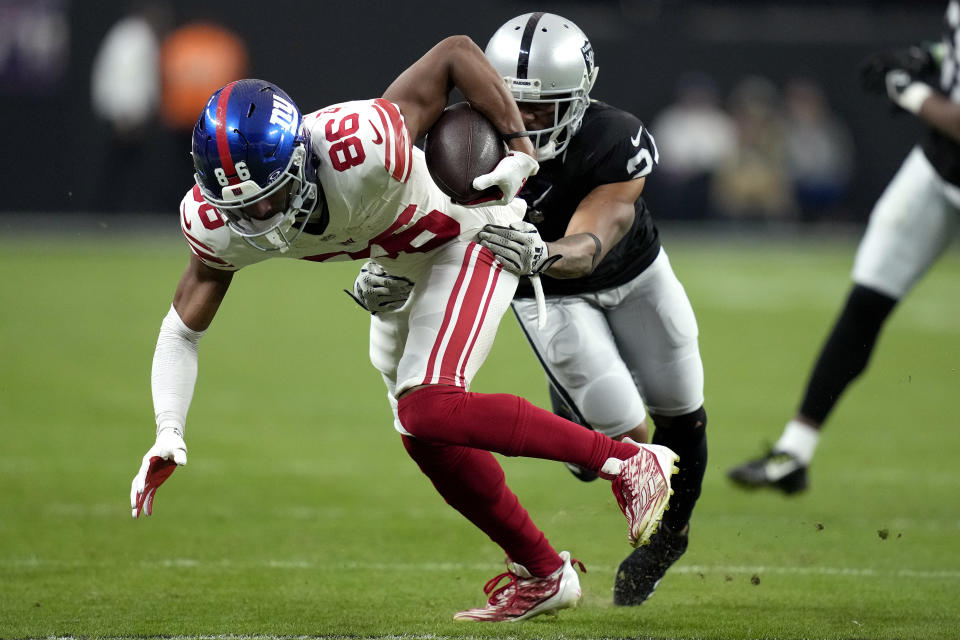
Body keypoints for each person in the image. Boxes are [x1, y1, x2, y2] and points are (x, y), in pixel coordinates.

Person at [128, 35, 680, 623]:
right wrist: (168, 431)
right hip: (398, 254)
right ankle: (544, 573)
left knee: (429, 405)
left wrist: (519, 145)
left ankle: (627, 462)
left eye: (270, 199)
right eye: (241, 209)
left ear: (300, 159)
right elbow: (181, 331)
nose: (258, 219)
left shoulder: (361, 144)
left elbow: (455, 53)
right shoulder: (219, 220)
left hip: (469, 229)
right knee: (421, 432)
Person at [352, 13, 707, 608]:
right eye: (514, 104)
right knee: (625, 430)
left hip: (634, 275)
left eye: (545, 107)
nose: (527, 120)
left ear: (580, 98)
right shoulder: (458, 143)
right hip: (549, 297)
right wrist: (386, 266)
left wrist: (547, 250)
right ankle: (583, 425)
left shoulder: (612, 138)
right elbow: (425, 231)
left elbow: (600, 234)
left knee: (682, 408)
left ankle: (670, 537)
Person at [728, 0, 959, 494]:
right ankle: (794, 452)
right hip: (940, 166)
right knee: (866, 301)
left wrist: (911, 92)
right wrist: (929, 57)